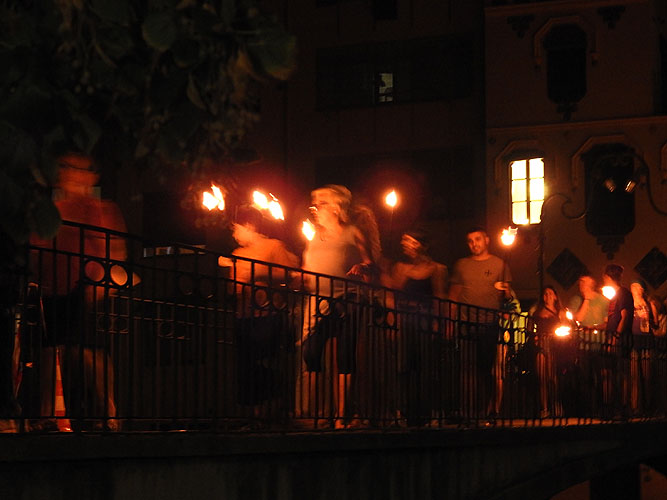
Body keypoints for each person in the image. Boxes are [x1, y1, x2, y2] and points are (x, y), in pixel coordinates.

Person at [30, 153, 131, 431]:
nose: (71, 174)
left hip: (86, 288)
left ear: (91, 176)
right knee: (52, 351)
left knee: (88, 352)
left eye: (78, 169)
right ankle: (51, 415)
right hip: (54, 288)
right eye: (66, 168)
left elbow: (113, 248)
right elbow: (38, 248)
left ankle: (107, 414)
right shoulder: (55, 210)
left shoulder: (99, 208)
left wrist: (98, 283)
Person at [297, 185, 381, 428]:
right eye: (314, 202)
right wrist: (300, 277)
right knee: (311, 353)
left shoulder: (352, 232)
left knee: (345, 356)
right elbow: (307, 267)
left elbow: (371, 263)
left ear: (336, 207)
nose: (316, 207)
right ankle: (315, 414)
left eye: (322, 202)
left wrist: (362, 267)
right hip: (318, 303)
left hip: (347, 302)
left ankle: (342, 415)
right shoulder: (314, 236)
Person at [218, 205, 298, 421]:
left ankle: (272, 410)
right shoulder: (237, 254)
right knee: (246, 366)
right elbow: (233, 288)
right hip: (244, 316)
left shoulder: (273, 246)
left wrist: (258, 273)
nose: (234, 234)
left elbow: (289, 274)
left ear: (249, 225)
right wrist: (234, 283)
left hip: (268, 314)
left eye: (236, 228)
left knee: (266, 361)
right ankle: (253, 416)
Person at [384, 229, 448, 425]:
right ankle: (405, 410)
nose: (405, 245)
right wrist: (393, 320)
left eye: (410, 241)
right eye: (404, 241)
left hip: (425, 320)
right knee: (404, 365)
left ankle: (424, 411)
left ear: (421, 245)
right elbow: (392, 295)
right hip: (406, 319)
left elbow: (438, 296)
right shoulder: (401, 268)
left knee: (425, 366)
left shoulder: (436, 269)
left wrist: (438, 323)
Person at [449, 227, 513, 421]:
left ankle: (487, 410)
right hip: (467, 324)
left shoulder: (500, 264)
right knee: (467, 368)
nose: (474, 244)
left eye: (477, 239)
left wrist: (505, 292)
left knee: (487, 370)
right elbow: (454, 295)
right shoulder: (462, 265)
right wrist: (450, 322)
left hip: (489, 324)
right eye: (470, 240)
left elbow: (507, 297)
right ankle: (467, 410)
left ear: (486, 240)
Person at [530, 286, 569, 418]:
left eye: (551, 293)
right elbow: (530, 328)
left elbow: (566, 327)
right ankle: (544, 408)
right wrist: (535, 337)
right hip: (541, 346)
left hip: (554, 346)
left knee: (552, 378)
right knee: (542, 378)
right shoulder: (537, 312)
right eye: (545, 293)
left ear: (556, 296)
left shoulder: (560, 312)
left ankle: (556, 404)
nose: (548, 296)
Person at [601, 264, 634, 417]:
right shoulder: (614, 296)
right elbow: (612, 319)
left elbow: (624, 317)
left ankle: (623, 407)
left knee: (621, 373)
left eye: (604, 277)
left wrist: (616, 337)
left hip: (620, 340)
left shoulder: (624, 294)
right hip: (611, 338)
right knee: (608, 372)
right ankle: (609, 406)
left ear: (608, 277)